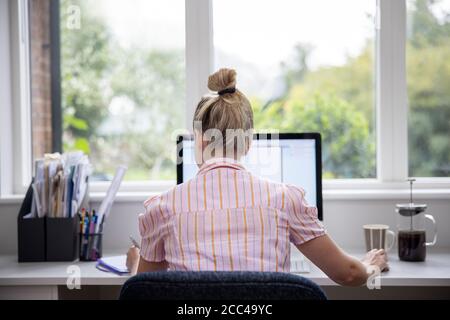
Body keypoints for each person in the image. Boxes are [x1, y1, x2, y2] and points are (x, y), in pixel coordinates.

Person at [126, 68, 388, 286]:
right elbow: (350, 274)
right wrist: (371, 266)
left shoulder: (162, 209)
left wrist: (135, 262)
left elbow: (147, 290)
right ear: (248, 143)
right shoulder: (286, 200)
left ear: (201, 140)